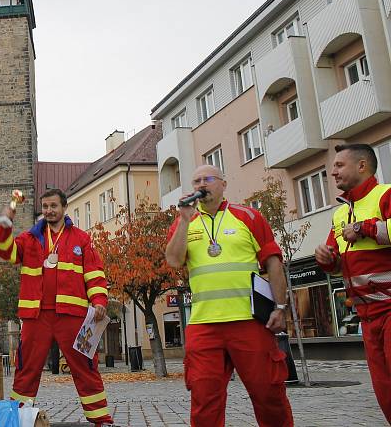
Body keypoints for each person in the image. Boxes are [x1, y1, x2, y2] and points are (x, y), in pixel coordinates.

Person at [165, 165, 293, 427]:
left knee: (268, 393)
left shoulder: (248, 216)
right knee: (204, 399)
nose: (202, 184)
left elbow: (273, 264)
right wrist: (185, 221)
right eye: (196, 180)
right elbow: (174, 261)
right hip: (204, 325)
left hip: (249, 321)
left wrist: (280, 308)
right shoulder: (184, 222)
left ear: (223, 184)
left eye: (208, 179)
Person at [0, 188, 114, 425]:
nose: (49, 211)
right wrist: (5, 222)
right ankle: (18, 420)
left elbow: (95, 274)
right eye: (45, 207)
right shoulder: (30, 239)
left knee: (85, 368)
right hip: (36, 315)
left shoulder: (81, 238)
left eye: (53, 206)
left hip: (72, 315)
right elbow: (4, 251)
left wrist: (99, 301)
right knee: (26, 368)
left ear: (64, 208)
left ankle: (101, 419)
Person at [314, 143, 391, 421]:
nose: (332, 172)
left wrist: (363, 228)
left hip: (390, 308)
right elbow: (336, 266)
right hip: (366, 316)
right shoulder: (339, 213)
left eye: (338, 165)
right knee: (384, 391)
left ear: (362, 166)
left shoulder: (385, 194)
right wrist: (326, 259)